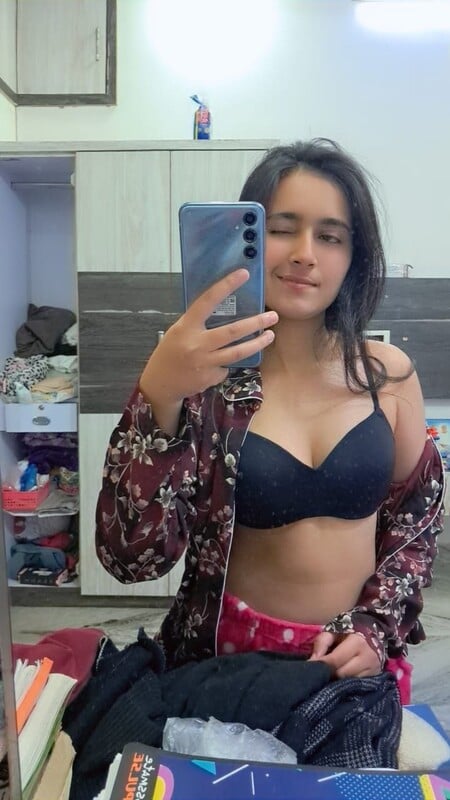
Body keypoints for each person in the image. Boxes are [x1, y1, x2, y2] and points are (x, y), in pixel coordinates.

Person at [95, 139, 444, 704]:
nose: (305, 253)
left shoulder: (389, 376)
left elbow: (417, 519)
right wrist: (158, 394)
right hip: (224, 665)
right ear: (247, 240)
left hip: (352, 665)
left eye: (330, 236)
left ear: (354, 257)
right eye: (282, 228)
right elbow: (130, 559)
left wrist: (376, 624)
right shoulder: (201, 383)